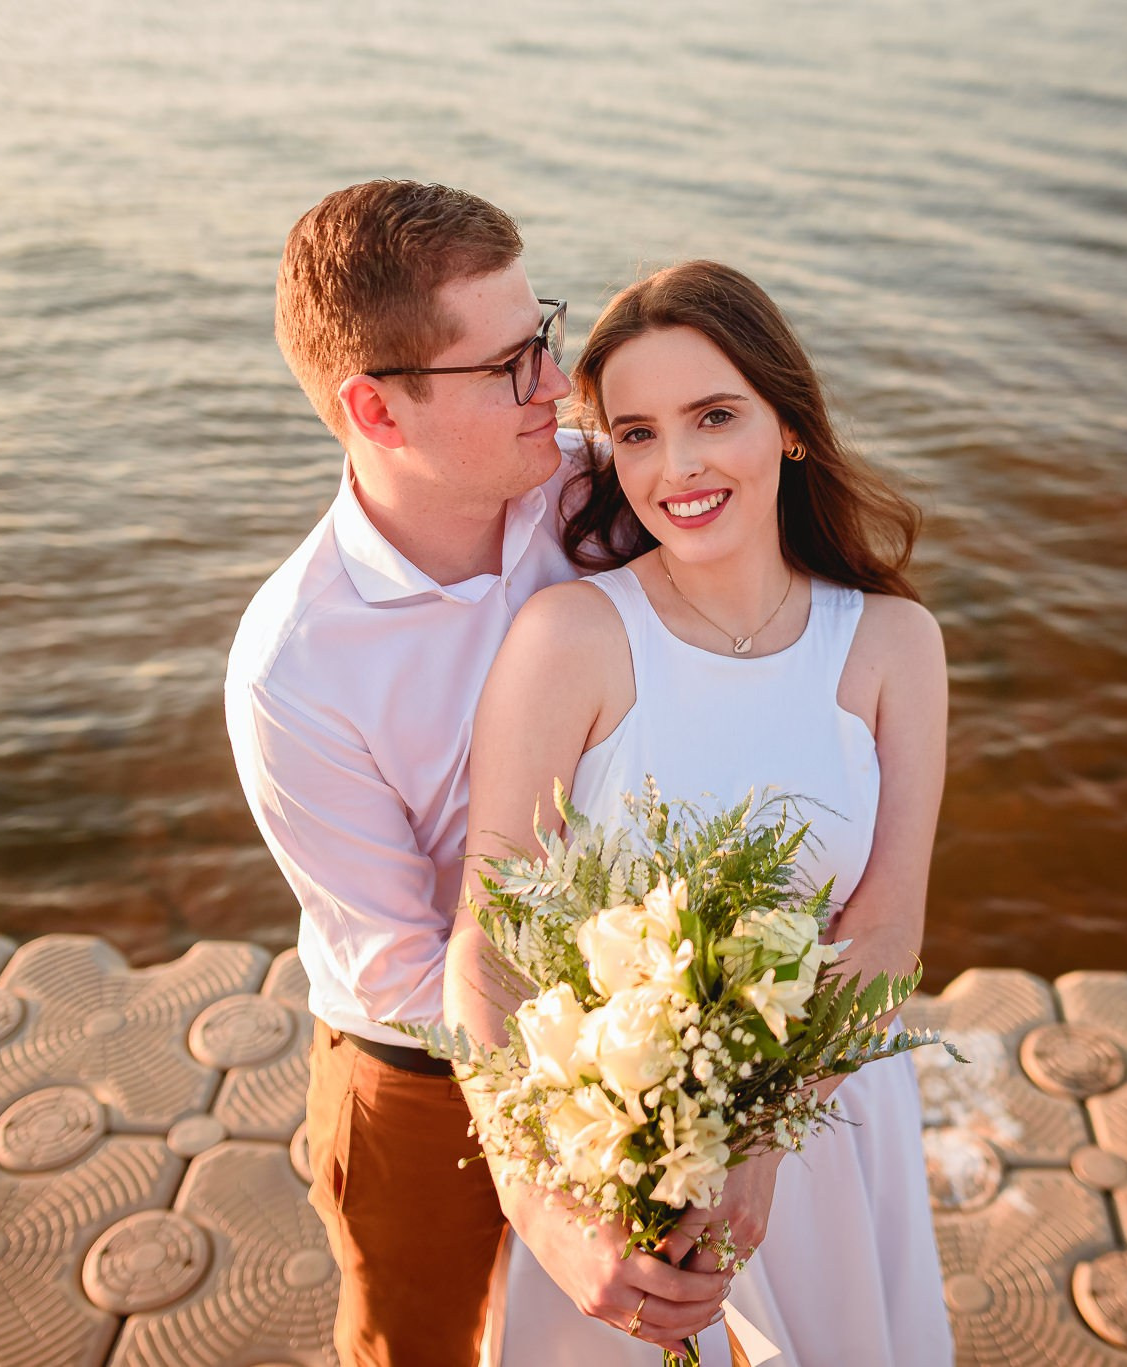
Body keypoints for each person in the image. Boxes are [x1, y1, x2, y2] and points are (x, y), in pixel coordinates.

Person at [224, 181, 729, 1367]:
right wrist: (549, 1167)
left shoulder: (597, 493)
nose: (556, 387)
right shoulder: (291, 669)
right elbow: (403, 954)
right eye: (507, 364)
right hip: (415, 1077)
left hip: (643, 1015)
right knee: (417, 1347)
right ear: (375, 409)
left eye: (541, 335)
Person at [446, 260, 956, 1365]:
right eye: (632, 432)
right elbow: (487, 948)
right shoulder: (569, 639)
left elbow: (886, 929)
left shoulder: (890, 645)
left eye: (712, 416)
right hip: (609, 1154)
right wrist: (549, 1210)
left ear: (788, 426)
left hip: (822, 1126)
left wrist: (760, 1138)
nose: (673, 466)